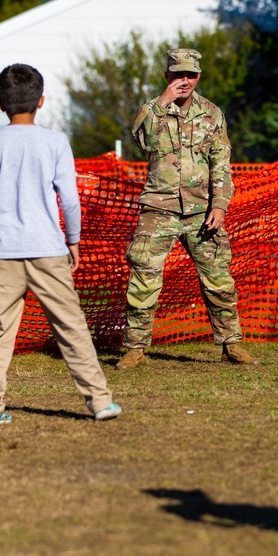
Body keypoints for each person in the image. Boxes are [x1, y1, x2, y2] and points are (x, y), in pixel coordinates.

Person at [0, 63, 121, 426]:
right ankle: (99, 402)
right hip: (48, 250)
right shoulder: (54, 142)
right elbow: (69, 199)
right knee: (71, 327)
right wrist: (74, 240)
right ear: (42, 101)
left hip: (2, 253)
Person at [116, 48, 258, 369]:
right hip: (158, 208)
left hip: (201, 211)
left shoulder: (212, 114)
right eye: (178, 74)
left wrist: (220, 205)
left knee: (218, 279)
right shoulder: (153, 110)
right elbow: (143, 140)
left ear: (198, 76)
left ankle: (231, 344)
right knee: (144, 278)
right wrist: (162, 102)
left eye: (190, 75)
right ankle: (135, 348)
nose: (184, 81)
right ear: (167, 76)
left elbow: (221, 164)